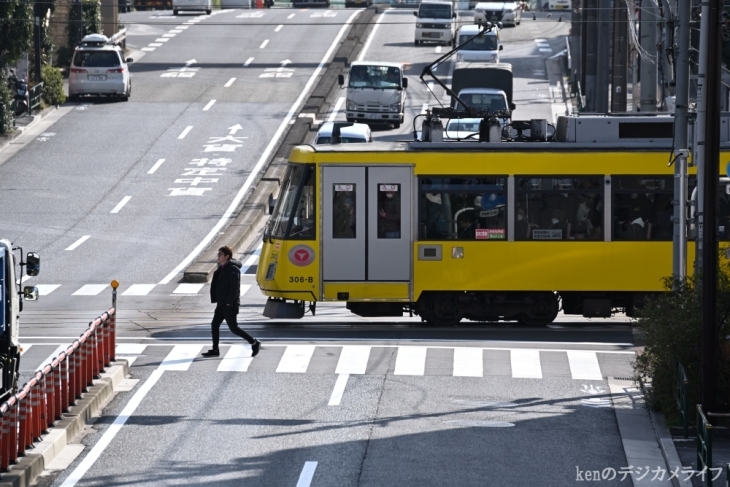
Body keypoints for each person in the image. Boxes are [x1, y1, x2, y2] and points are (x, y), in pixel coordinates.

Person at [202, 246, 261, 358]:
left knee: (234, 328)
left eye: (220, 254)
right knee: (214, 325)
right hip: (221, 304)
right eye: (218, 254)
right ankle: (215, 349)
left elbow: (235, 288)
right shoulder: (222, 268)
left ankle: (254, 343)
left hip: (229, 305)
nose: (218, 256)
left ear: (227, 256)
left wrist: (229, 302)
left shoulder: (233, 269)